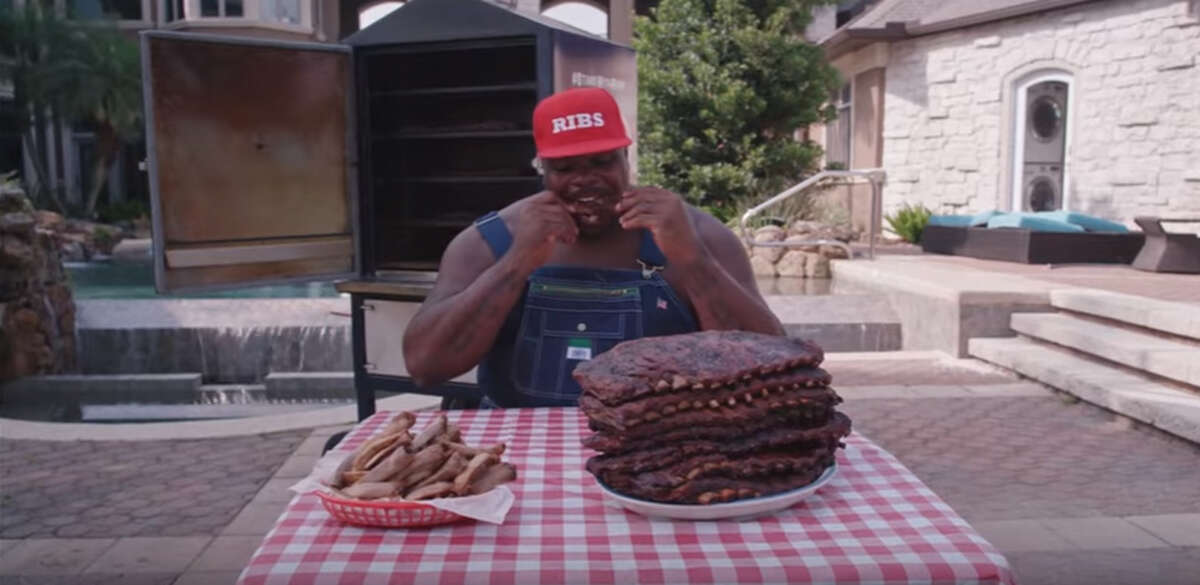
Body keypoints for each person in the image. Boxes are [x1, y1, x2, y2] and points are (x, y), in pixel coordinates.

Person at [403, 87, 783, 408]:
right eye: (565, 169)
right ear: (542, 169)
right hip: (517, 459)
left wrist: (692, 260)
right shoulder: (489, 242)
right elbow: (425, 365)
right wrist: (516, 264)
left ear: (626, 159)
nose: (585, 181)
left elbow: (776, 368)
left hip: (663, 454)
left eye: (602, 162)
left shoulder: (702, 235)